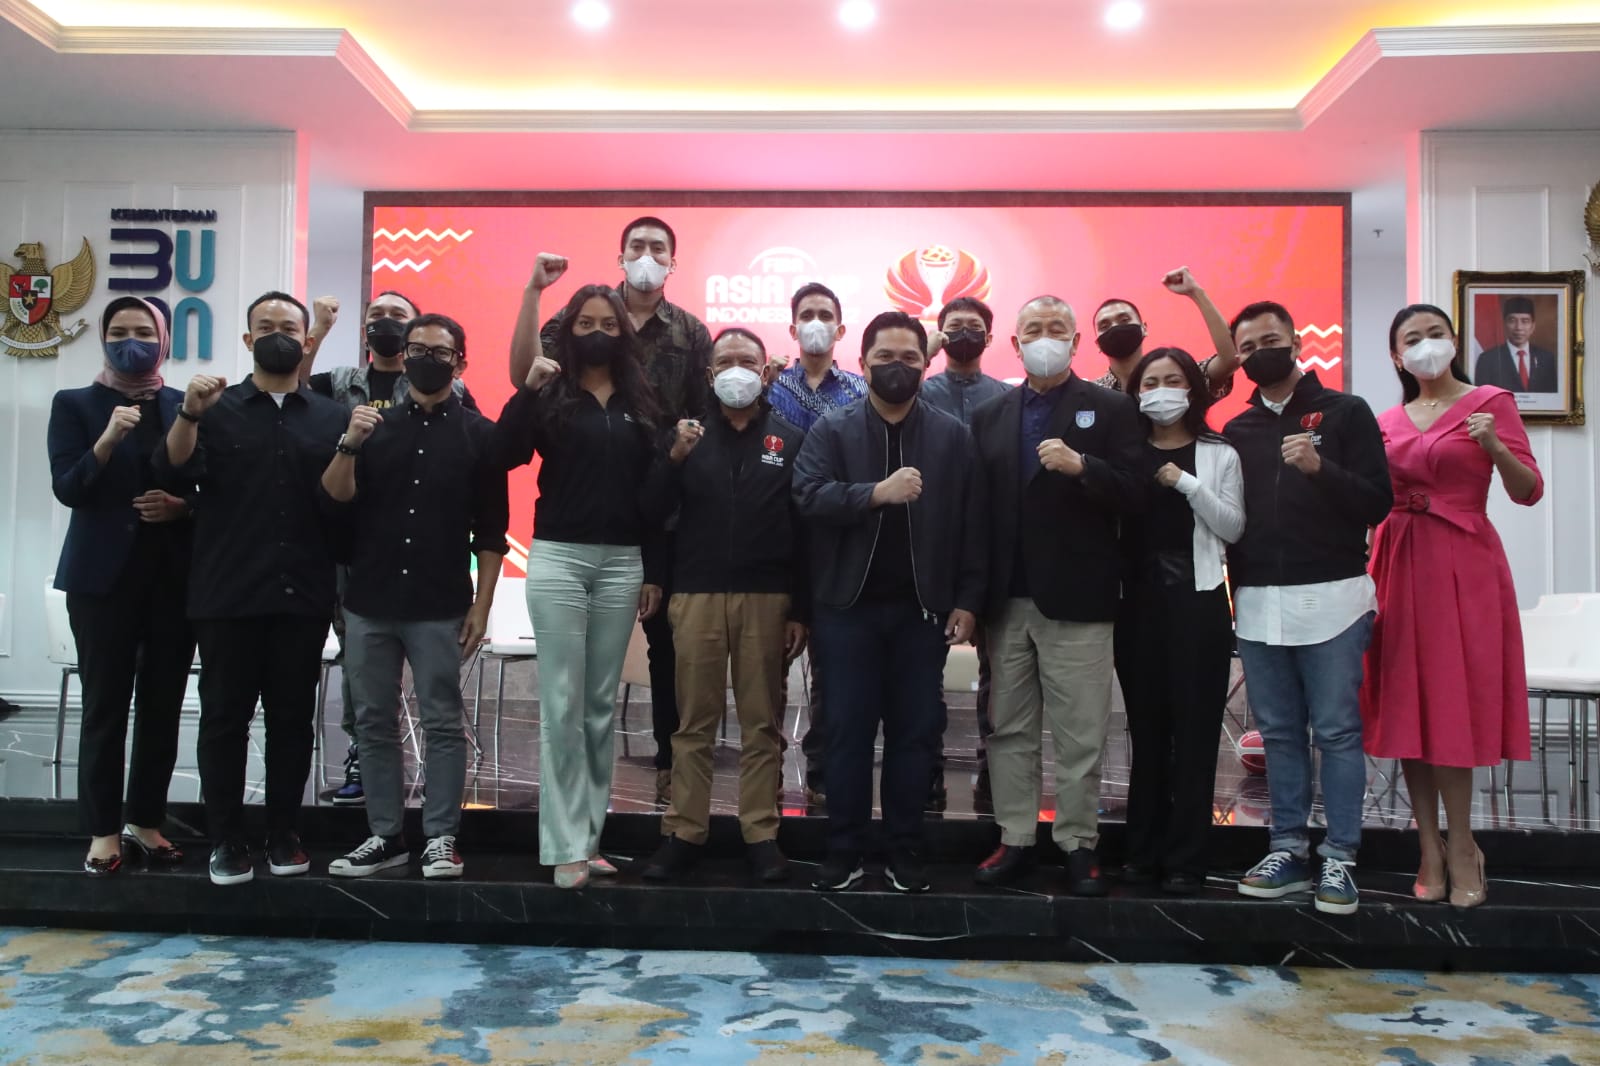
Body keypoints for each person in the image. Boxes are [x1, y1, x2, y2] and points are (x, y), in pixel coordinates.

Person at [155, 291, 351, 886]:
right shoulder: (214, 408)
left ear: (306, 340)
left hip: (302, 592)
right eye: (265, 326)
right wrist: (189, 414)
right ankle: (226, 839)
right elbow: (172, 468)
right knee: (224, 720)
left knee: (291, 721)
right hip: (226, 591)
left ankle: (284, 833)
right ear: (247, 340)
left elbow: (341, 502)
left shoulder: (331, 416)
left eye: (288, 327)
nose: (277, 335)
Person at [518, 219, 713, 808]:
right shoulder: (584, 315)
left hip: (663, 510)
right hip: (583, 516)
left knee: (667, 648)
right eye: (637, 247)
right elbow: (527, 375)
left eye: (658, 249)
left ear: (673, 261)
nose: (647, 257)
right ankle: (570, 811)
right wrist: (533, 292)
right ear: (621, 255)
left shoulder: (691, 332)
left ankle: (669, 769)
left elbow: (701, 416)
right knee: (573, 682)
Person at [793, 310, 983, 895]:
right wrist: (874, 494)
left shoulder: (952, 435)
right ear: (863, 362)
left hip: (922, 613)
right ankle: (844, 848)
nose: (896, 367)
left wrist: (968, 599)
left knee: (915, 734)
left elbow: (974, 523)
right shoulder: (832, 428)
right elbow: (807, 496)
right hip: (845, 610)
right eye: (884, 358)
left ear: (925, 365)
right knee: (846, 733)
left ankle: (905, 849)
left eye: (908, 358)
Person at [1362, 303, 1542, 909]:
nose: (1425, 345)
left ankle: (1463, 844)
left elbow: (1528, 491)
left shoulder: (1490, 402)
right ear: (1396, 356)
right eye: (1411, 339)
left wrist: (1494, 445)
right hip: (1397, 561)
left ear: (1455, 341)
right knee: (1409, 704)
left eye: (1435, 334)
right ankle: (1428, 847)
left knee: (1451, 702)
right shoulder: (1386, 421)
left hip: (1464, 562)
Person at [494, 264, 664, 890]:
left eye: (608, 324)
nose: (598, 333)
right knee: (562, 702)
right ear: (568, 331)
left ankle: (589, 838)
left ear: (624, 333)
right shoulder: (552, 392)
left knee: (597, 707)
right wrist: (528, 391)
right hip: (559, 557)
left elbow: (653, 495)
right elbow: (503, 453)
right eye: (586, 323)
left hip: (623, 562)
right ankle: (563, 842)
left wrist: (652, 568)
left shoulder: (640, 402)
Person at [967, 296, 1143, 897]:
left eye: (1057, 328)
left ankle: (1077, 842)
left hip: (1079, 598)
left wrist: (1083, 467)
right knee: (1008, 729)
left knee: (1080, 733)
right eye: (1034, 329)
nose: (1046, 337)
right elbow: (977, 513)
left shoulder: (1112, 409)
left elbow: (1136, 493)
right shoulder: (989, 414)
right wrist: (972, 598)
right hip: (1006, 600)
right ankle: (1015, 837)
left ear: (1075, 341)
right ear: (1015, 344)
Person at [322, 313, 509, 881]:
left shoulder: (481, 435)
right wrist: (349, 444)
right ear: (403, 356)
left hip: (440, 602)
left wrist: (482, 607)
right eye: (417, 348)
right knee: (373, 722)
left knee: (443, 721)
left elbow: (492, 532)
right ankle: (385, 835)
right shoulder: (373, 427)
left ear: (460, 362)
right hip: (369, 600)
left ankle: (441, 837)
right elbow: (334, 498)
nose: (427, 358)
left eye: (440, 351)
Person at [1223, 300, 1392, 915]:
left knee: (1338, 731)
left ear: (1296, 343)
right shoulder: (1237, 430)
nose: (1259, 353)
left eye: (1270, 340)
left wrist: (1322, 469)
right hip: (1258, 601)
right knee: (1278, 733)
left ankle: (1341, 857)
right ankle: (1287, 848)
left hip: (1335, 599)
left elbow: (1377, 502)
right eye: (1247, 347)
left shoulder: (1347, 412)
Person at [297, 290, 479, 807]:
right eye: (376, 315)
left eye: (397, 315)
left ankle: (438, 814)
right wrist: (319, 329)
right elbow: (298, 391)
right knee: (363, 679)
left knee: (438, 701)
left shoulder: (448, 391)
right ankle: (364, 763)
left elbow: (471, 456)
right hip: (355, 555)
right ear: (364, 330)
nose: (386, 323)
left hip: (428, 565)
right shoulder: (340, 383)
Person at [638, 328, 807, 883]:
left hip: (767, 597)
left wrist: (800, 609)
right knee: (693, 723)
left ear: (766, 372)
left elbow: (805, 530)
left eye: (747, 361)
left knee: (762, 723)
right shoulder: (685, 437)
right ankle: (685, 831)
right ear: (710, 375)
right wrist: (672, 460)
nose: (737, 370)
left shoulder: (790, 438)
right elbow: (653, 513)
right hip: (696, 593)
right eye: (725, 361)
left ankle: (761, 834)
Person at [48, 296, 195, 876]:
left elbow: (215, 488)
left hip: (172, 580)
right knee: (105, 707)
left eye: (143, 331)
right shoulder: (75, 404)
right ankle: (103, 831)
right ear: (103, 339)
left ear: (164, 340)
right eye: (118, 331)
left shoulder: (185, 405)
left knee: (162, 707)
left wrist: (183, 508)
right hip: (100, 582)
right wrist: (106, 439)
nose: (130, 341)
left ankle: (146, 822)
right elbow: (69, 488)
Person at [1119, 348, 1245, 894]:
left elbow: (1233, 527)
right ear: (1136, 393)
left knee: (1195, 735)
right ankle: (1141, 852)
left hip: (1199, 603)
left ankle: (1187, 860)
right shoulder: (1124, 452)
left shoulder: (1219, 453)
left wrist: (1187, 483)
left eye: (1173, 380)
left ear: (1193, 388)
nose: (1161, 390)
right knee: (1147, 733)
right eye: (1151, 381)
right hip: (1136, 606)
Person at [767, 282, 868, 807]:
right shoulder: (767, 388)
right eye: (807, 314)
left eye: (825, 314)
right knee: (769, 670)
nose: (816, 322)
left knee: (834, 671)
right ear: (792, 327)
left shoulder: (860, 390)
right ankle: (766, 780)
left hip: (838, 543)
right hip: (778, 543)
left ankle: (825, 778)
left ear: (840, 328)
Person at [920, 296, 1011, 809]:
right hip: (929, 549)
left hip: (990, 551)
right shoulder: (918, 390)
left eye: (973, 328)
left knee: (998, 676)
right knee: (921, 675)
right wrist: (926, 351)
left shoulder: (1006, 397)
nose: (963, 335)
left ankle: (992, 776)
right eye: (953, 327)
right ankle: (926, 775)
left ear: (990, 338)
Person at [1090, 268, 1240, 397]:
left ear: (1144, 328)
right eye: (1105, 325)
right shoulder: (1091, 394)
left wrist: (1196, 292)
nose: (1115, 327)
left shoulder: (1179, 377)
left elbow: (1230, 359)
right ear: (1097, 344)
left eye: (1124, 320)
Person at [1472, 296, 1559, 393]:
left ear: (1533, 326)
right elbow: (1482, 396)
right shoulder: (1487, 359)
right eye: (1512, 321)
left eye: (1525, 321)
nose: (1519, 327)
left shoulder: (1546, 358)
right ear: (1504, 324)